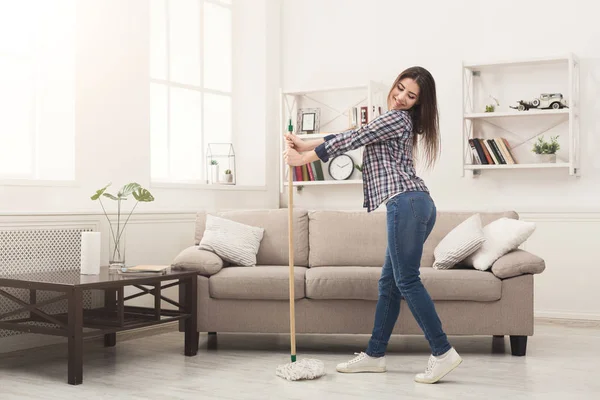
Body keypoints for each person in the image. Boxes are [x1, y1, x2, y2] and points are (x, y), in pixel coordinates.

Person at [283, 66, 462, 384]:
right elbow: (353, 134)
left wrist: (304, 158)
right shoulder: (395, 119)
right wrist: (304, 141)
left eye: (411, 95)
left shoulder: (395, 118)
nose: (401, 97)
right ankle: (375, 355)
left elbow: (355, 138)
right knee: (389, 285)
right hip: (414, 203)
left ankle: (443, 351)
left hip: (406, 203)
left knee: (406, 281)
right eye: (401, 88)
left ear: (419, 102)